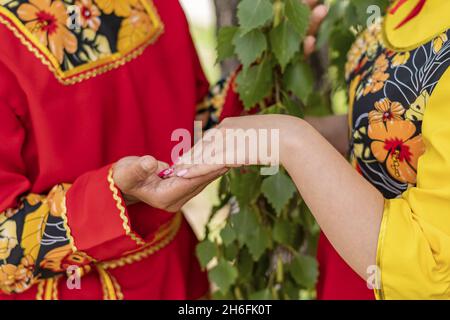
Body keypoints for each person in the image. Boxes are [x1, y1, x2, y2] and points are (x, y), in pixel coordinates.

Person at [0, 0, 326, 300]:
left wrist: (260, 68)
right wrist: (112, 198)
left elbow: (190, 125)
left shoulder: (154, 4)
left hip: (175, 275)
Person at [173, 0, 450, 299]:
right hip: (349, 261)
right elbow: (402, 127)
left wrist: (291, 140)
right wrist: (299, 132)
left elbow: (431, 273)